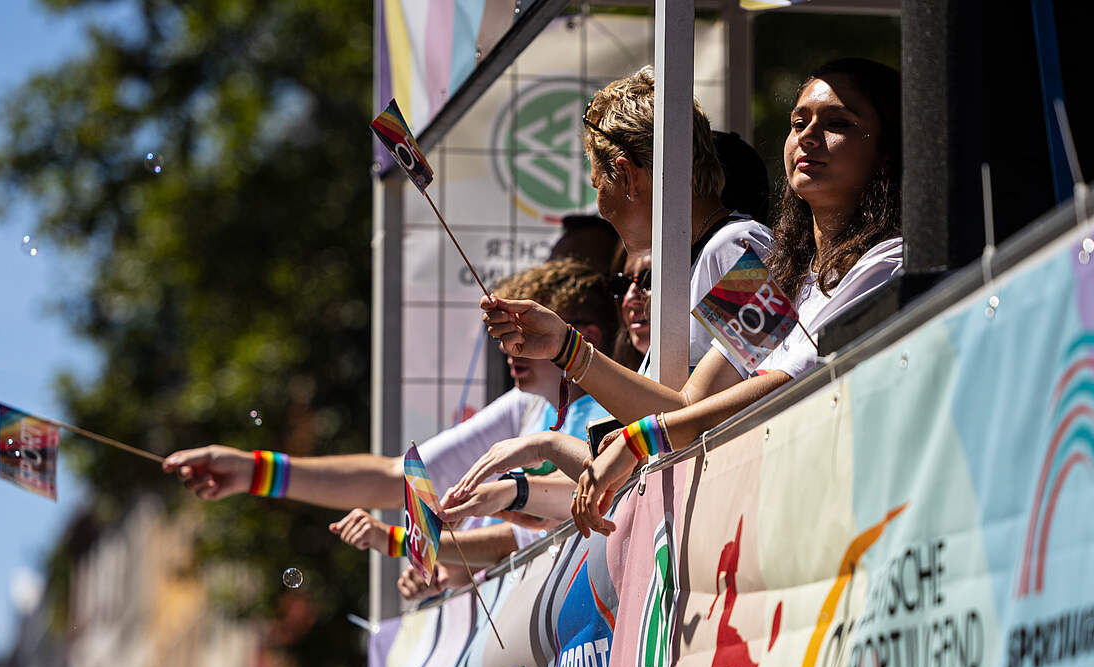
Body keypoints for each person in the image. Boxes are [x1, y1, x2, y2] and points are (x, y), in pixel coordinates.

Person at [448, 58, 904, 537]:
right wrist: (565, 354)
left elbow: (692, 417)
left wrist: (578, 371)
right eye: (797, 122)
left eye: (837, 124)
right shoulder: (783, 267)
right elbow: (681, 414)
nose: (808, 136)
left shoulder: (733, 248)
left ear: (625, 174)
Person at [163, 258, 622, 570]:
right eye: (504, 337)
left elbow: (602, 490)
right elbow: (392, 478)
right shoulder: (523, 406)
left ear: (581, 336)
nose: (509, 349)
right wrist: (251, 471)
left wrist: (509, 492)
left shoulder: (612, 400)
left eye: (524, 336)